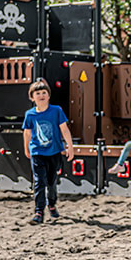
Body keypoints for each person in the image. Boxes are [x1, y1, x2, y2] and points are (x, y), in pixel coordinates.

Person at [23, 79, 74, 225]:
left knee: (51, 182)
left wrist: (70, 146)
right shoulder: (30, 115)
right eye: (37, 93)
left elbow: (64, 129)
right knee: (39, 181)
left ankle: (51, 204)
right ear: (32, 98)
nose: (41, 95)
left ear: (49, 96)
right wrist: (26, 148)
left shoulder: (56, 110)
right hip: (37, 152)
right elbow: (27, 133)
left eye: (44, 92)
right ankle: (39, 211)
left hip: (54, 151)